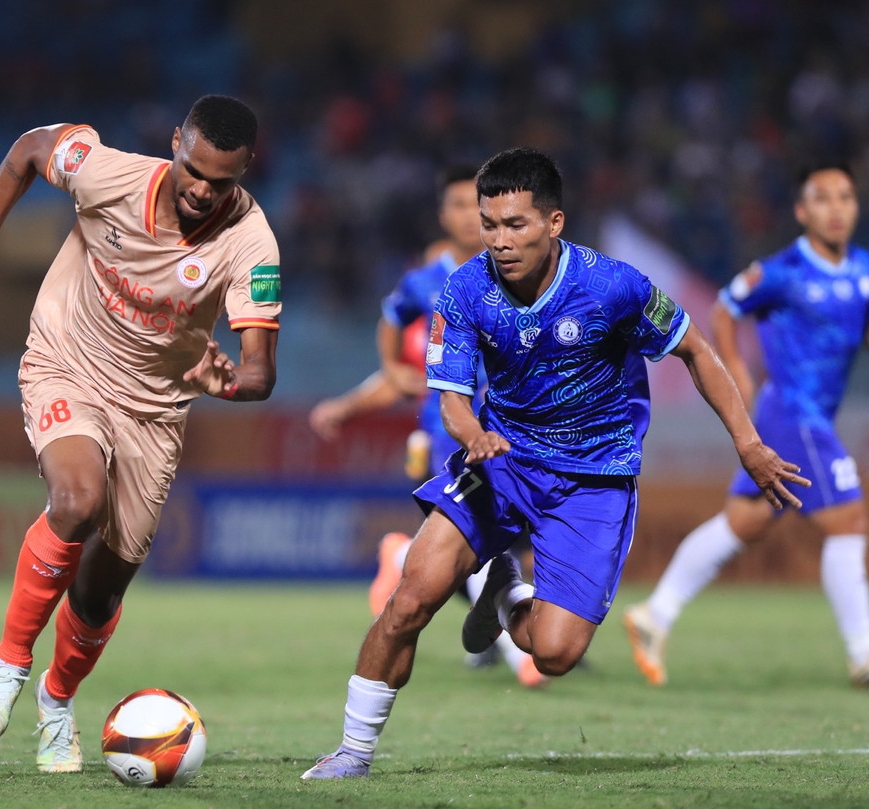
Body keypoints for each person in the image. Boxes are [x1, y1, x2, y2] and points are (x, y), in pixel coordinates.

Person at [300, 147, 808, 780]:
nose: (499, 240)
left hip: (593, 479)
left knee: (556, 653)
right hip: (502, 460)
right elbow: (452, 401)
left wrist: (749, 444)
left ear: (553, 221)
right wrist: (473, 434)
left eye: (516, 224)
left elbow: (697, 351)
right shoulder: (464, 289)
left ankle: (505, 592)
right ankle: (352, 753)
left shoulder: (612, 286)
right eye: (490, 225)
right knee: (410, 599)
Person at [0, 95, 281, 773]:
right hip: (68, 363)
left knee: (99, 593)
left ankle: (56, 701)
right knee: (76, 499)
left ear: (244, 171)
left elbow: (261, 372)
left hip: (155, 412)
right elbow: (29, 149)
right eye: (194, 170)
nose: (202, 189)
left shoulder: (251, 242)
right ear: (176, 142)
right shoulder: (108, 174)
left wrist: (228, 383)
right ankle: (8, 663)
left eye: (221, 181)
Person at [625, 160, 869, 688]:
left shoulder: (862, 270)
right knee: (850, 522)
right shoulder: (782, 271)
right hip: (793, 414)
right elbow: (724, 308)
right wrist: (737, 370)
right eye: (822, 198)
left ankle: (655, 614)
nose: (836, 209)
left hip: (812, 416)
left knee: (746, 521)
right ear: (802, 211)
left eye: (845, 198)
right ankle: (863, 651)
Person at [309, 165, 548, 689]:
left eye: (475, 207)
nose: (467, 217)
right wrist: (390, 369)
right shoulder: (425, 283)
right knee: (482, 537)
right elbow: (392, 324)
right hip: (449, 432)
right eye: (457, 206)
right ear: (443, 215)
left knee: (505, 542)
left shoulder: (518, 272)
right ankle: (520, 653)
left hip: (516, 430)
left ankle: (401, 554)